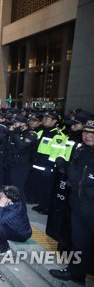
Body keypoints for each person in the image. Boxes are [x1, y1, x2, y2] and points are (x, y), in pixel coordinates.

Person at [50, 118, 94, 285]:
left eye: (92, 133)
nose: (88, 136)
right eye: (86, 132)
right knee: (79, 242)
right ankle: (76, 274)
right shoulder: (81, 150)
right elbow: (73, 174)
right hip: (78, 205)